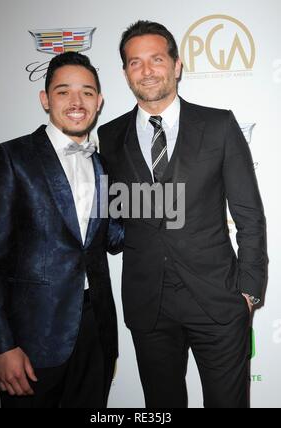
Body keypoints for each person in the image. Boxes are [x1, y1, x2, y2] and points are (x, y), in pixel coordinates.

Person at [98, 21, 267, 408]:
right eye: (135, 62)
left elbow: (249, 215)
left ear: (176, 65)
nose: (147, 70)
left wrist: (248, 291)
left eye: (156, 59)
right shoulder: (109, 136)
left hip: (219, 301)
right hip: (148, 307)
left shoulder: (219, 125)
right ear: (125, 73)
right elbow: (114, 217)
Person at [0, 52, 123, 408]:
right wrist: (2, 345)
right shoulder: (10, 158)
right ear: (45, 99)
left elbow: (115, 238)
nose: (77, 102)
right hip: (31, 341)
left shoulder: (104, 165)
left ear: (99, 101)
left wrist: (164, 194)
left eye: (87, 92)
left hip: (96, 331)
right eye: (64, 92)